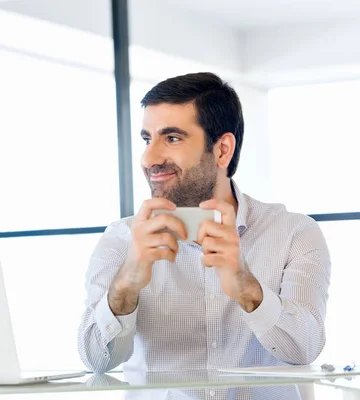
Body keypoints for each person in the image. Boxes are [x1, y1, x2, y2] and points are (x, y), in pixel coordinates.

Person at [77, 72, 331, 373]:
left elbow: (304, 349)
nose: (149, 158)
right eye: (147, 139)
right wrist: (126, 284)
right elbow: (97, 361)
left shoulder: (294, 233)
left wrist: (247, 288)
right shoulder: (121, 239)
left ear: (222, 149)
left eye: (171, 138)